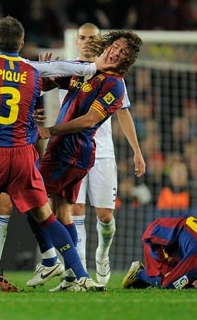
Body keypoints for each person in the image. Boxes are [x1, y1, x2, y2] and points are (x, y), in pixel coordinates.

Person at [0, 16, 106, 293]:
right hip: (23, 155)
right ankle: (82, 275)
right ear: (22, 42)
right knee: (46, 216)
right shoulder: (32, 73)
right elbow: (46, 82)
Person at [29, 23, 146, 287]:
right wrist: (44, 71)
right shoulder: (75, 69)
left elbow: (111, 115)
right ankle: (75, 273)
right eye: (81, 38)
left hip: (92, 150)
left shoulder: (115, 83)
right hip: (69, 148)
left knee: (103, 215)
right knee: (69, 209)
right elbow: (42, 85)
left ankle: (88, 258)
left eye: (91, 38)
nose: (86, 43)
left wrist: (137, 151)